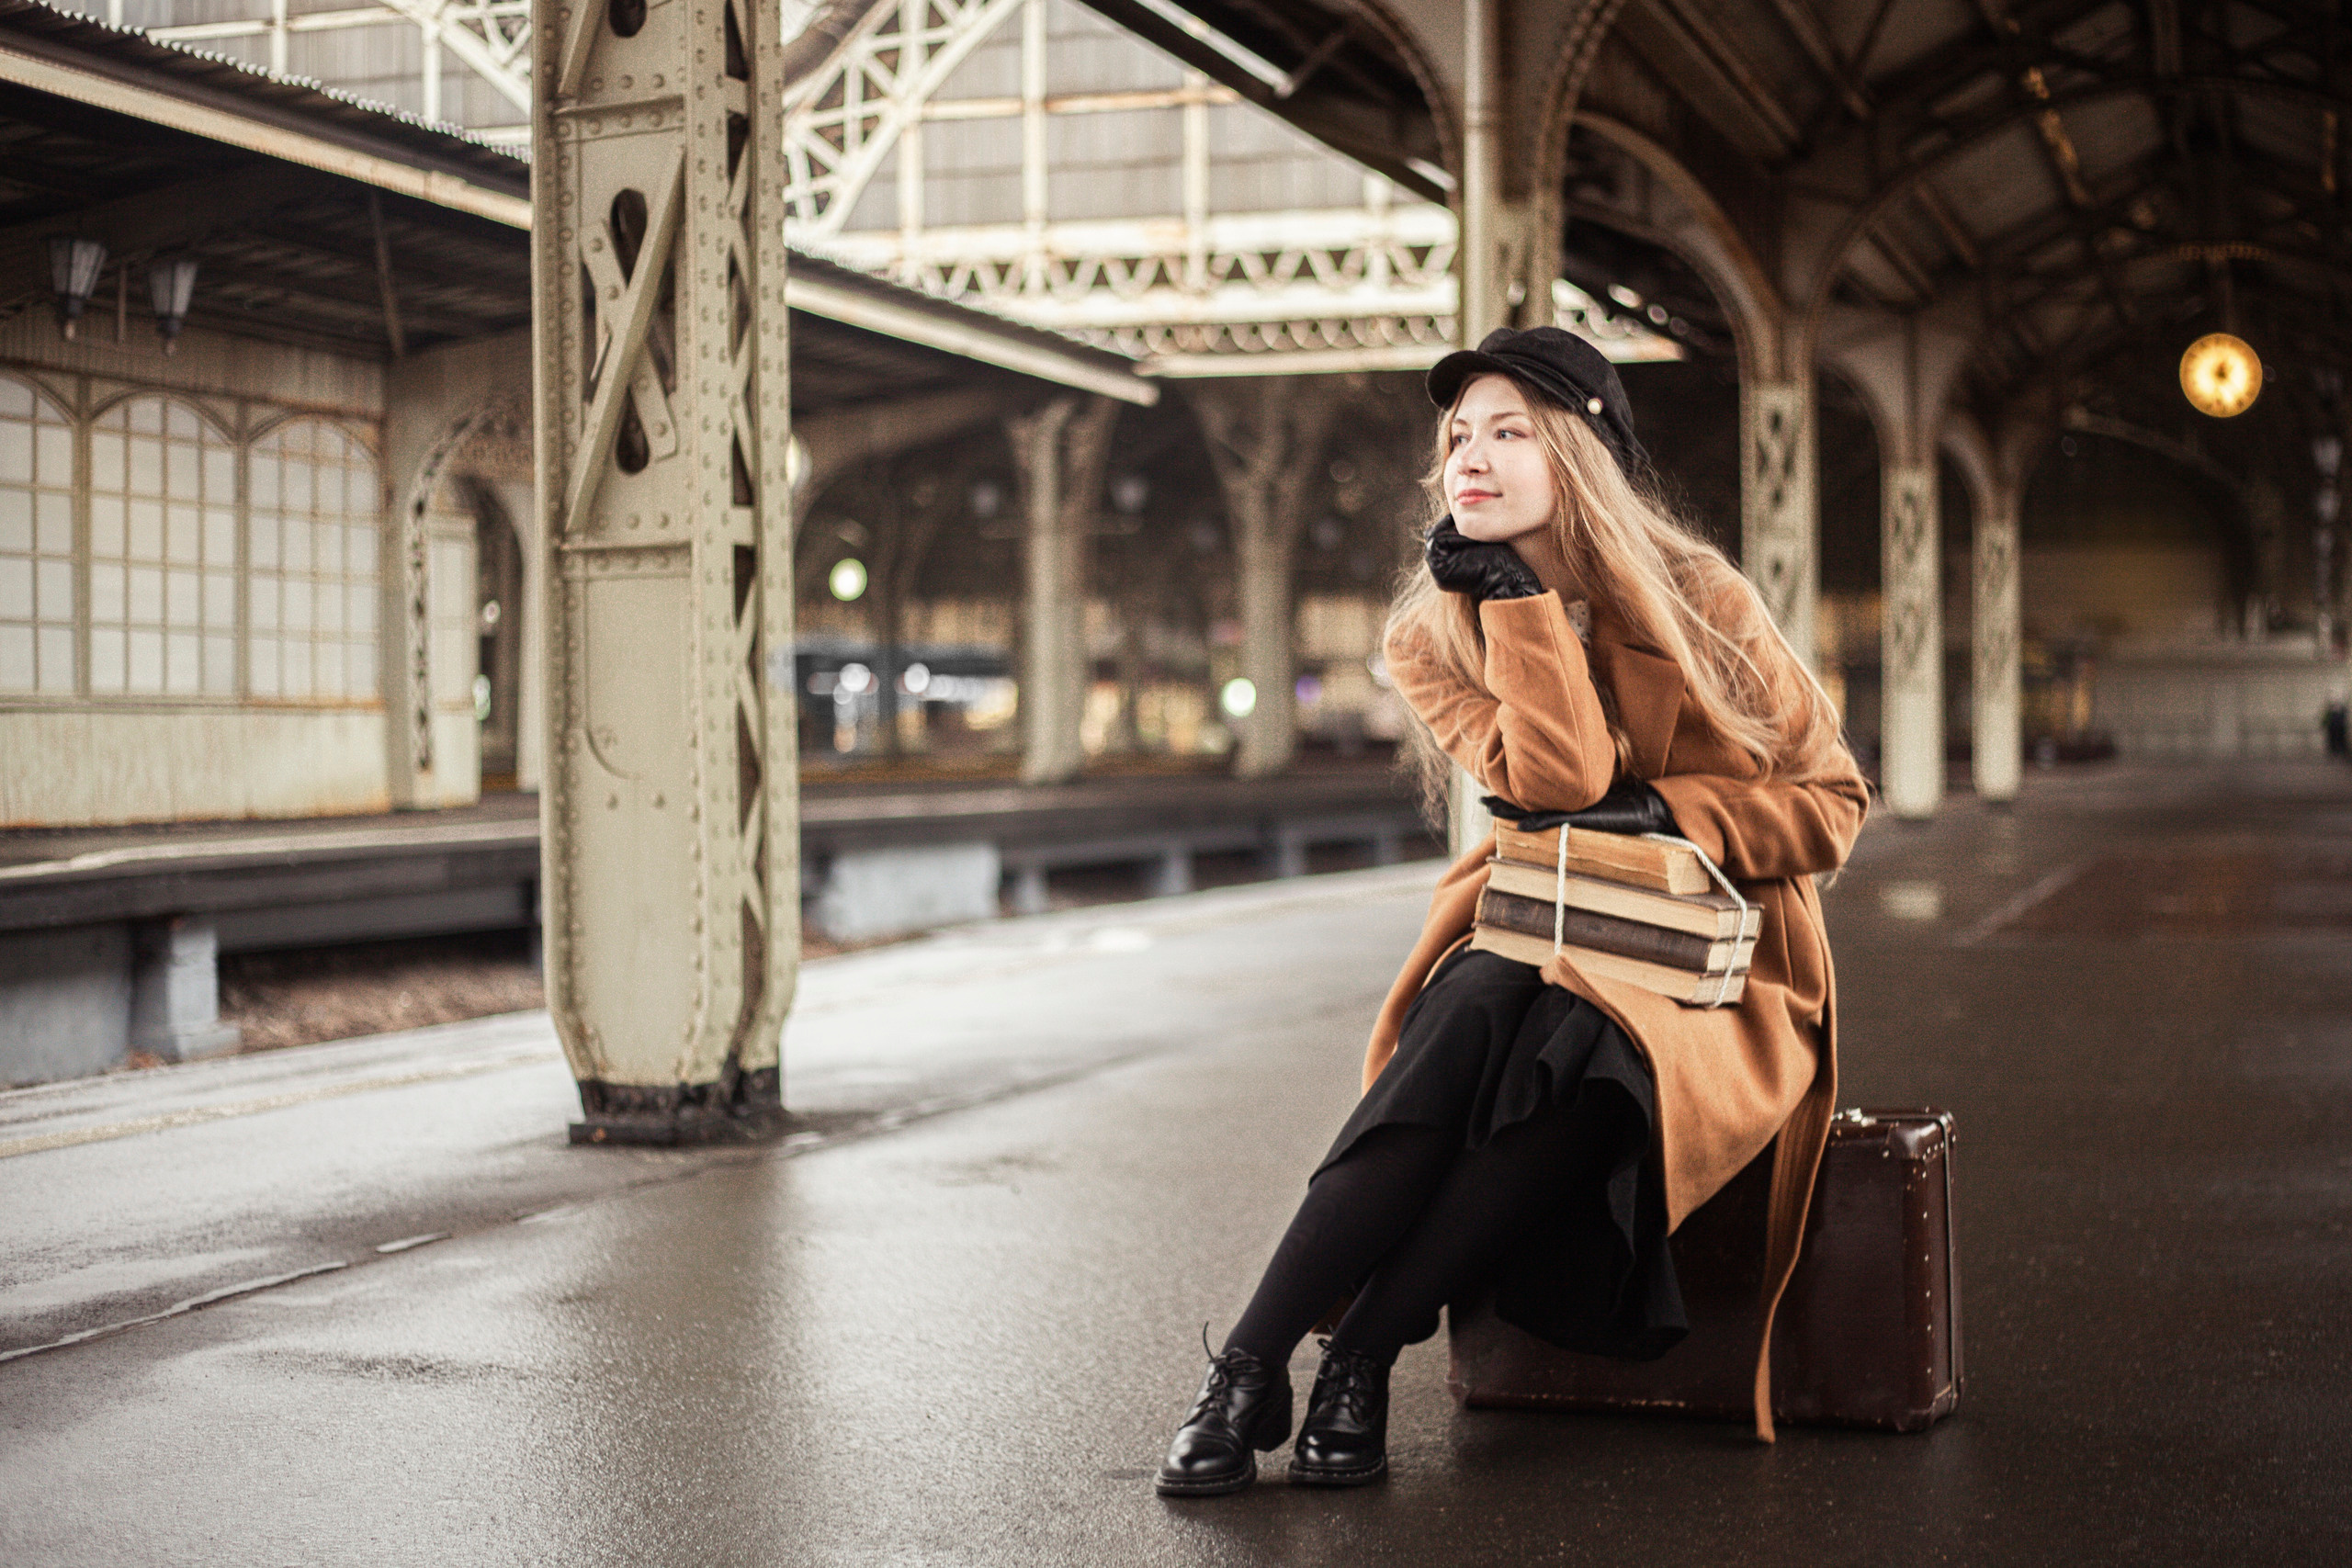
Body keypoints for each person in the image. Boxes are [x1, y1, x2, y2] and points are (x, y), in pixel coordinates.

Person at [1154, 327, 1870, 1496]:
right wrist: (1521, 609)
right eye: (1455, 437)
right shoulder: (1428, 632)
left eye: (1508, 431)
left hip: (1711, 976)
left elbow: (1831, 807)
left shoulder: (1702, 599)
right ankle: (1249, 1367)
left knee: (1588, 1042)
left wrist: (1674, 812)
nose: (1468, 459)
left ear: (1579, 454)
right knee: (1476, 1007)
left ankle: (1362, 1356)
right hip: (1541, 931)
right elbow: (1555, 783)